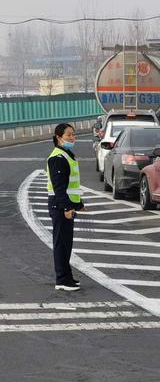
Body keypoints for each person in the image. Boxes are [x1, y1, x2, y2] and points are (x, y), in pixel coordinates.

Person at [47, 123, 86, 291]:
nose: (72, 137)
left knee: (66, 243)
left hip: (64, 205)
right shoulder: (57, 157)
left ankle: (67, 276)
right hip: (59, 206)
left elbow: (71, 185)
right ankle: (62, 279)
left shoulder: (66, 155)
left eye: (73, 134)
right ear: (58, 137)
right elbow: (59, 187)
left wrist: (78, 204)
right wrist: (66, 208)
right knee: (61, 244)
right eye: (68, 134)